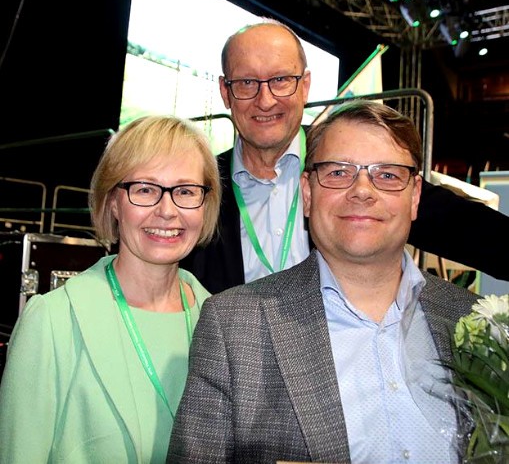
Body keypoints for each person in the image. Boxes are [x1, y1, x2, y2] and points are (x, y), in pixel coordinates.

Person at [168, 100, 477, 464]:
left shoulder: (473, 322)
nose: (362, 190)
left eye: (387, 175)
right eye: (338, 172)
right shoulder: (233, 326)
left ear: (415, 197)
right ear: (308, 193)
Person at [180, 19, 509, 293]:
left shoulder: (352, 166)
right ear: (225, 92)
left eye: (281, 80)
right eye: (246, 82)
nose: (265, 100)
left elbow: (462, 226)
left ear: (305, 86)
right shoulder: (197, 185)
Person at [0, 115, 221, 463]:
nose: (167, 211)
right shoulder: (52, 322)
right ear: (113, 201)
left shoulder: (225, 326)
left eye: (185, 191)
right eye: (145, 189)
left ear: (205, 203)